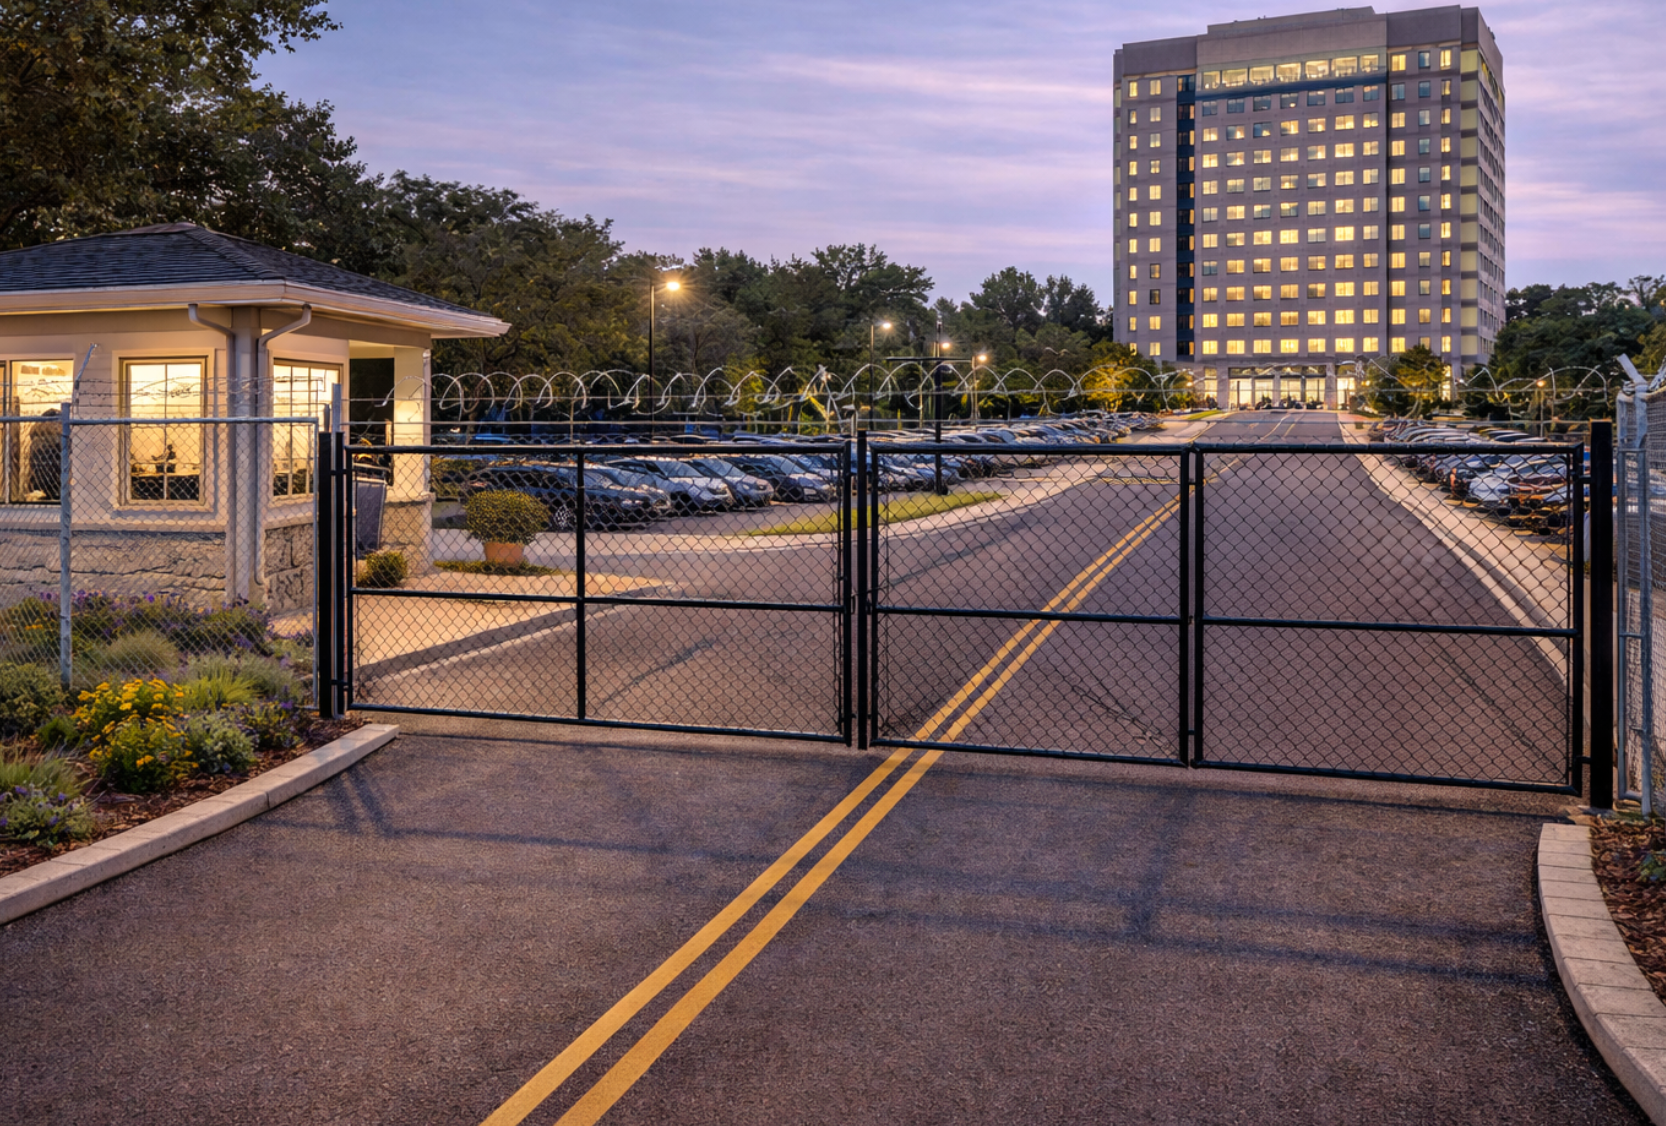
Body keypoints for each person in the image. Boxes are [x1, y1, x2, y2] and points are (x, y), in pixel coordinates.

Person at [25, 409, 61, 502]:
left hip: (39, 472)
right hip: (55, 471)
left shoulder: (36, 431)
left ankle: (45, 492)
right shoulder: (59, 430)